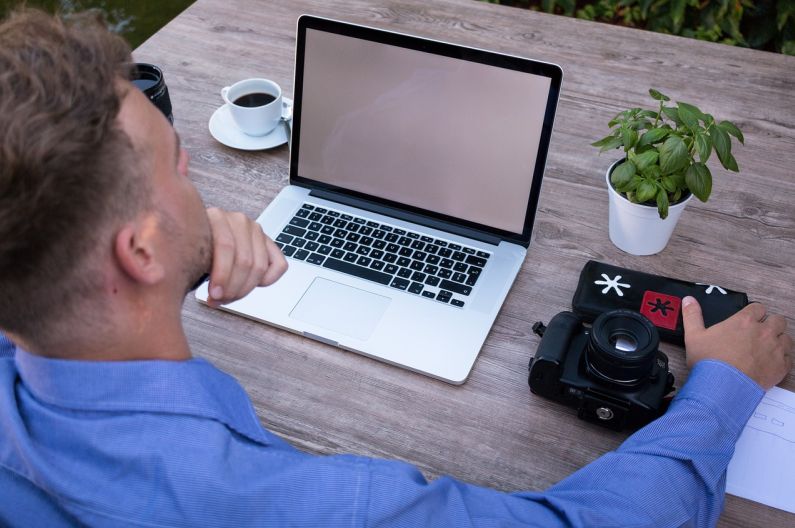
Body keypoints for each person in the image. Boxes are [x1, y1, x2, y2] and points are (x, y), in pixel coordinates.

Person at [0, 8, 791, 528]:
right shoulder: (314, 506)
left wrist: (183, 242)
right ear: (135, 251)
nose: (197, 185)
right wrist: (722, 392)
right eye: (179, 164)